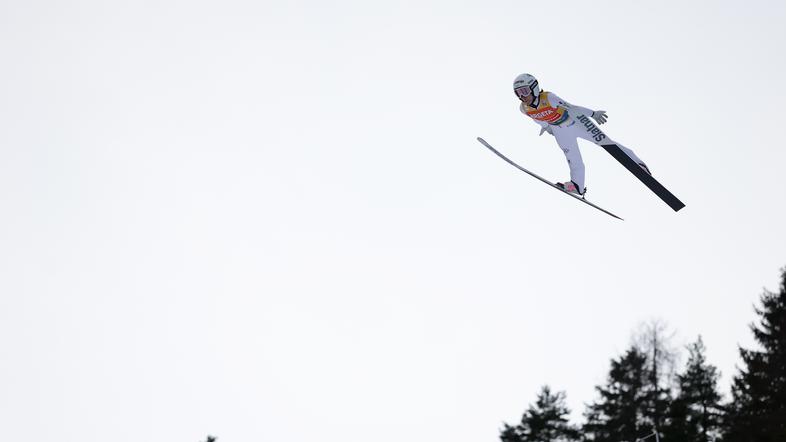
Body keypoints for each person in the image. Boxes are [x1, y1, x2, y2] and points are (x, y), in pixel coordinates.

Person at [513, 73, 650, 196]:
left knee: (607, 143)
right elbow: (537, 119)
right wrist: (546, 127)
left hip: (575, 123)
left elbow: (573, 108)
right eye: (518, 93)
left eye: (524, 91)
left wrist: (593, 114)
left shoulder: (549, 98)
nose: (522, 96)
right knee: (572, 158)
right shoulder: (524, 109)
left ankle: (637, 163)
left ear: (534, 88)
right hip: (559, 130)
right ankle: (577, 185)